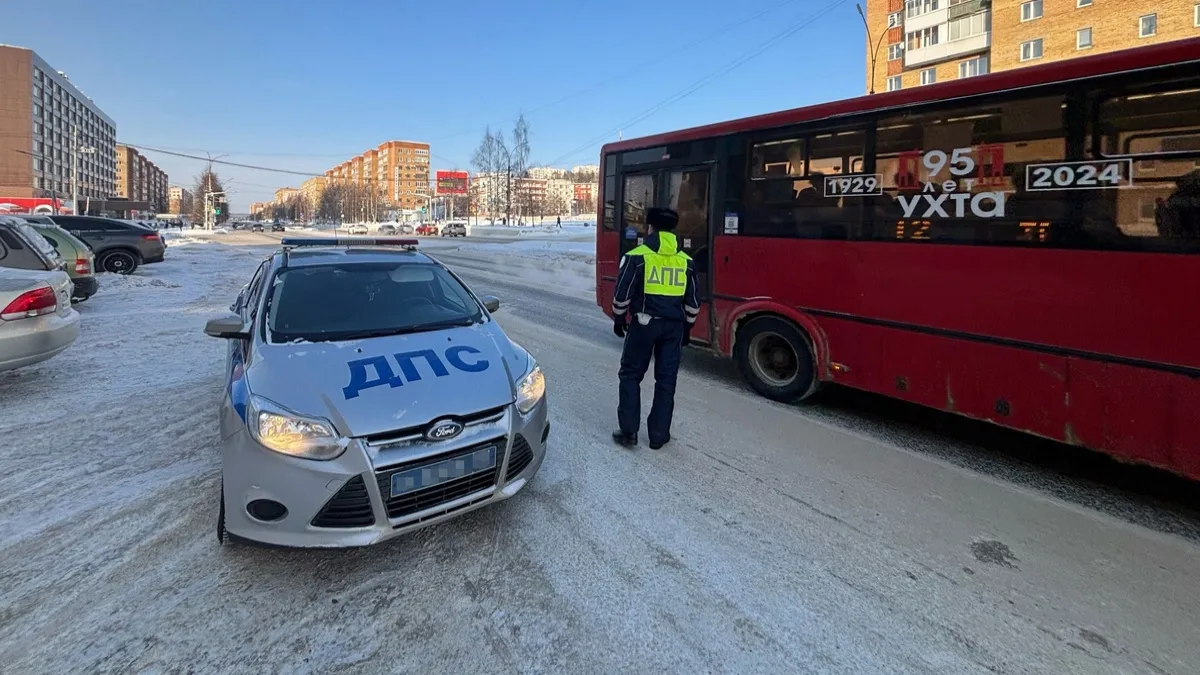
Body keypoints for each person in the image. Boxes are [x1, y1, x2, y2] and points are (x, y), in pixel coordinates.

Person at [610, 207, 700, 449]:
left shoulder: (636, 256)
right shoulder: (686, 261)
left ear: (650, 227)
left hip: (643, 323)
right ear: (673, 230)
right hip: (674, 328)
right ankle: (659, 436)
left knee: (630, 375)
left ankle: (629, 433)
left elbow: (622, 294)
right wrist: (688, 327)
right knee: (666, 380)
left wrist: (619, 319)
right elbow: (693, 301)